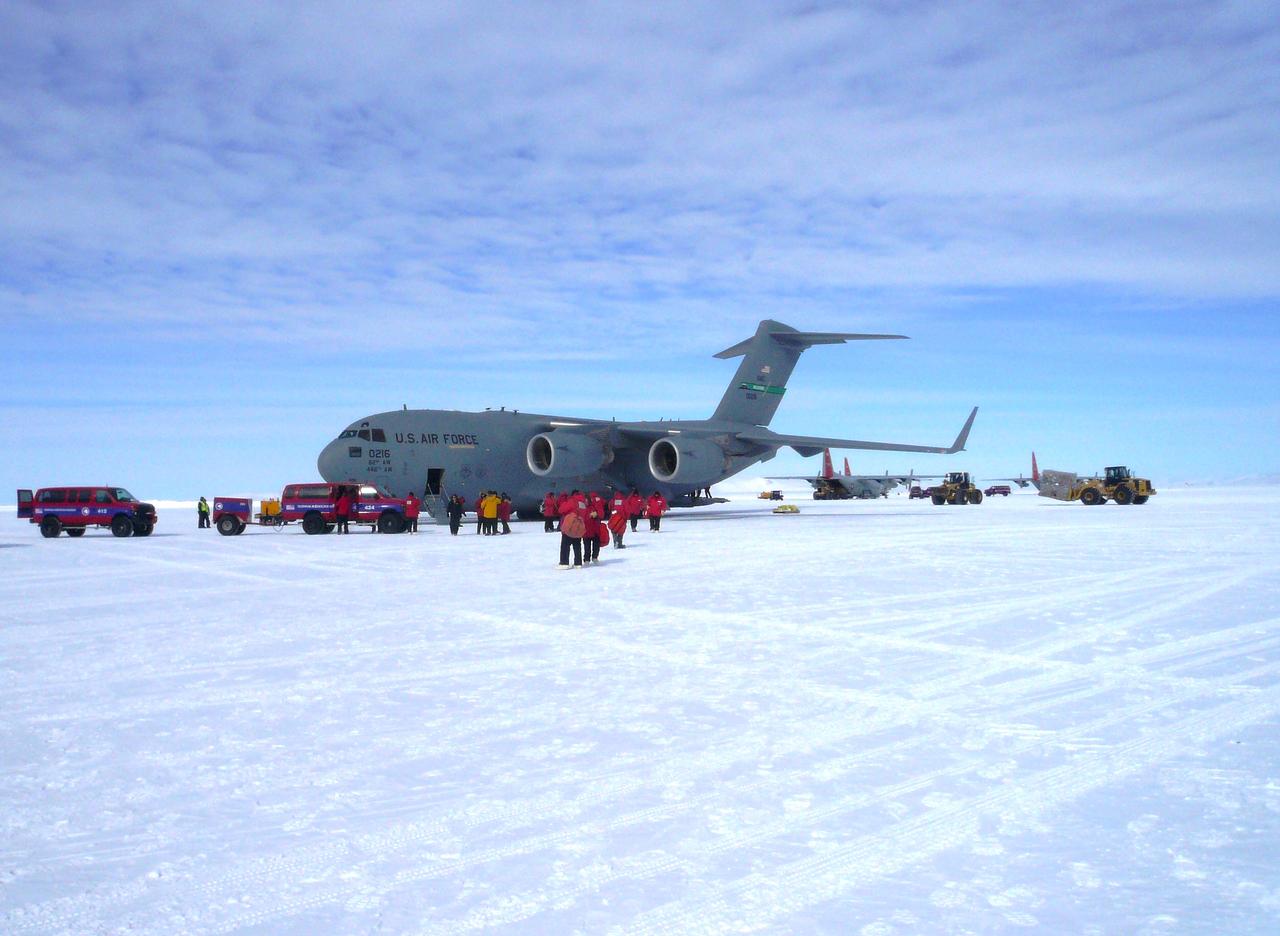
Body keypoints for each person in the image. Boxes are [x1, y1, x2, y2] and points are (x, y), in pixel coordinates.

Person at [558, 504, 585, 568]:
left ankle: (564, 563)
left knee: (565, 547)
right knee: (577, 547)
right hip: (578, 530)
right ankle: (578, 563)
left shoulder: (571, 503)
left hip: (569, 530)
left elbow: (560, 510)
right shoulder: (583, 503)